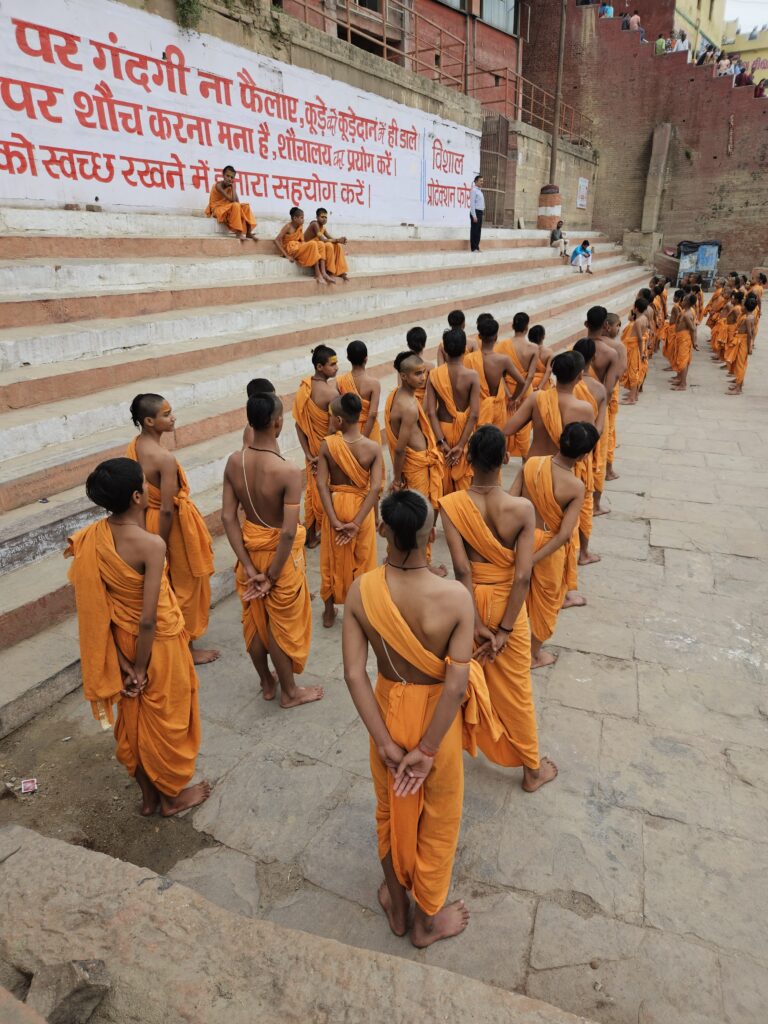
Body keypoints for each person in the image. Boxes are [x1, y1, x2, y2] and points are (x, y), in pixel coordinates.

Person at [343, 490, 487, 946]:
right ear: (432, 536)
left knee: (390, 810)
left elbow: (353, 674)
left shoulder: (361, 590)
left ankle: (400, 910)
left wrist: (387, 744)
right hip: (435, 725)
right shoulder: (456, 598)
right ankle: (426, 923)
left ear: (382, 529)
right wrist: (426, 749)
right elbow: (456, 686)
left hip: (386, 711)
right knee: (438, 815)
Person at [66, 457, 210, 816]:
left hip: (121, 643)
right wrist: (141, 668)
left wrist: (124, 663)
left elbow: (97, 612)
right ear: (135, 497)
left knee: (135, 722)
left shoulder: (93, 538)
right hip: (155, 646)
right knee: (166, 718)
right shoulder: (150, 544)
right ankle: (172, 799)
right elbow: (148, 619)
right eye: (145, 486)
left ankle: (149, 798)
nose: (150, 490)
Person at [440, 426, 557, 791]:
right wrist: (505, 629)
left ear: (469, 460)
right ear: (506, 458)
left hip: (469, 606)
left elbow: (462, 570)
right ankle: (531, 771)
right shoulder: (522, 509)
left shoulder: (452, 504)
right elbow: (523, 575)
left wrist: (474, 622)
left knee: (469, 680)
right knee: (516, 688)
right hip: (509, 605)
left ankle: (470, 745)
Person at [221, 392, 322, 708]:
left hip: (249, 550)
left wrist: (250, 569)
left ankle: (267, 680)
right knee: (278, 625)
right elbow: (289, 530)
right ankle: (290, 693)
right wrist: (271, 575)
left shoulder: (234, 460)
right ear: (278, 422)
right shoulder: (287, 470)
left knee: (254, 618)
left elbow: (227, 517)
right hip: (279, 557)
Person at [126, 394, 217, 666]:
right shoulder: (164, 458)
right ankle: (186, 649)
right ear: (149, 421)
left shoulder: (135, 446)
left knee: (166, 586)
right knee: (184, 585)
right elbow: (167, 508)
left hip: (145, 520)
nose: (173, 417)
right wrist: (161, 544)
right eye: (166, 414)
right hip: (168, 527)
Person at [510, 423, 599, 668]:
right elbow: (562, 536)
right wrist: (534, 559)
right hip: (548, 551)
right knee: (548, 604)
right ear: (584, 455)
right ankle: (532, 655)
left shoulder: (532, 464)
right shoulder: (575, 486)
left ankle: (511, 642)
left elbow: (510, 502)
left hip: (522, 538)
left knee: (515, 594)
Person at [317, 393, 382, 628]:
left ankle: (328, 611)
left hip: (334, 505)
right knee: (363, 559)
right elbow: (375, 488)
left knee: (330, 560)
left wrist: (334, 520)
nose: (330, 420)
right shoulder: (372, 448)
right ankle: (362, 611)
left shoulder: (328, 445)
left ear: (340, 421)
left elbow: (321, 485)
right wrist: (356, 523)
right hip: (361, 510)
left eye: (332, 417)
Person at [384, 353, 444, 568]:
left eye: (424, 373)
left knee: (410, 514)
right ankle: (423, 564)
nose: (423, 378)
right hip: (416, 466)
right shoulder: (408, 406)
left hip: (417, 463)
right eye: (417, 374)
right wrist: (397, 479)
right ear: (403, 376)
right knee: (421, 515)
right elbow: (400, 449)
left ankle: (402, 557)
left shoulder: (395, 396)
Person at [293, 345, 339, 548]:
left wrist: (308, 454)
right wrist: (321, 456)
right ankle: (326, 532)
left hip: (311, 452)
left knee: (312, 493)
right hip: (326, 453)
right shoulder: (331, 393)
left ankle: (311, 537)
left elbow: (298, 425)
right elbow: (332, 429)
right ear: (320, 367)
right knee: (326, 492)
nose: (336, 368)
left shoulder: (304, 389)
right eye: (333, 364)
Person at [425, 328, 480, 494]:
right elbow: (475, 414)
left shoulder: (434, 375)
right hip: (466, 432)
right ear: (465, 348)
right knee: (464, 486)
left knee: (442, 483)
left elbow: (431, 412)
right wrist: (461, 446)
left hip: (442, 431)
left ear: (444, 350)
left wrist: (442, 443)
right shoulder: (472, 376)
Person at [572, 337, 607, 567]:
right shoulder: (598, 389)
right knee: (583, 506)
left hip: (562, 455)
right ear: (592, 359)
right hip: (584, 455)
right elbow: (599, 429)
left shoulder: (562, 387)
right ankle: (583, 552)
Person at [464, 316, 525, 429]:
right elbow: (521, 382)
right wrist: (513, 399)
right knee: (496, 441)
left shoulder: (469, 359)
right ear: (496, 337)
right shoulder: (503, 360)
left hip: (478, 409)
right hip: (497, 410)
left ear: (479, 336)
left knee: (480, 442)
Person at [336, 340, 382, 442]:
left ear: (348, 358)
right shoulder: (374, 384)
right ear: (366, 358)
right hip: (370, 431)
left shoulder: (340, 381)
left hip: (351, 430)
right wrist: (363, 439)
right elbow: (372, 414)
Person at [274, 207, 334, 285]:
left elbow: (301, 240)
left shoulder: (300, 227)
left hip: (298, 246)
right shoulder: (288, 227)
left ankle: (323, 272)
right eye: (301, 218)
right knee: (313, 244)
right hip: (291, 249)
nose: (303, 220)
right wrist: (286, 255)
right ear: (295, 218)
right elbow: (276, 240)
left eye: (303, 218)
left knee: (321, 244)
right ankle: (317, 274)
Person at [204, 164, 257, 242]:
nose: (229, 179)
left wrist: (233, 188)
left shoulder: (230, 186)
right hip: (217, 209)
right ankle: (238, 233)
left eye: (232, 177)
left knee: (246, 206)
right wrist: (232, 187)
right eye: (227, 176)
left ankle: (248, 232)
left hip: (227, 207)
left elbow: (237, 202)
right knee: (235, 205)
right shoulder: (218, 186)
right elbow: (232, 200)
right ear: (223, 175)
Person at [304, 207, 350, 280]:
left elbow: (330, 238)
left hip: (318, 245)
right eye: (322, 217)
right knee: (328, 245)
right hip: (308, 247)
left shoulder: (323, 228)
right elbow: (323, 239)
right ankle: (329, 272)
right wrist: (337, 240)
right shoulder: (314, 224)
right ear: (317, 217)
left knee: (337, 245)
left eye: (326, 217)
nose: (324, 219)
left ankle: (340, 271)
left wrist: (340, 240)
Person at [619, 297, 650, 405]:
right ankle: (634, 394)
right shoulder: (645, 318)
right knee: (636, 371)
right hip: (638, 347)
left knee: (633, 372)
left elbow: (640, 338)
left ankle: (632, 398)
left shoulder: (638, 321)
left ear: (636, 308)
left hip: (635, 349)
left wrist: (641, 353)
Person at [727, 293, 758, 396]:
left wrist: (749, 346)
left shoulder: (749, 318)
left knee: (740, 364)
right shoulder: (747, 316)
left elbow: (750, 333)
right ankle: (738, 382)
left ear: (746, 307)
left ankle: (738, 389)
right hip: (739, 340)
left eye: (743, 305)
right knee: (738, 362)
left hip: (743, 342)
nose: (742, 307)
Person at [670, 293, 698, 391]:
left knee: (683, 361)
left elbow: (693, 328)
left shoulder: (687, 315)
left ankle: (683, 384)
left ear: (688, 302)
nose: (683, 301)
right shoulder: (686, 311)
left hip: (684, 339)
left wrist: (694, 342)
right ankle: (680, 378)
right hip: (680, 338)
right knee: (681, 360)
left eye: (685, 300)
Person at [243, 377, 276, 448]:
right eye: (273, 398)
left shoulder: (267, 422)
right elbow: (246, 454)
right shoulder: (251, 429)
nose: (275, 402)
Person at [405, 326, 432, 402]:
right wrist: (421, 413)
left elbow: (401, 390)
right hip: (424, 406)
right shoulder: (430, 366)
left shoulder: (402, 364)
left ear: (408, 344)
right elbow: (428, 393)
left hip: (407, 406)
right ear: (424, 344)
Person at [470, 174, 485, 252]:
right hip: (475, 212)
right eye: (480, 181)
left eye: (482, 181)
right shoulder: (473, 190)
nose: (482, 182)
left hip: (480, 212)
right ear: (476, 181)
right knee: (474, 231)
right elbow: (472, 204)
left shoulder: (480, 191)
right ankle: (473, 248)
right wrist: (474, 215)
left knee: (478, 231)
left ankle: (477, 247)